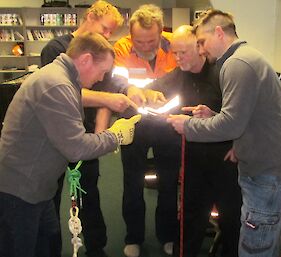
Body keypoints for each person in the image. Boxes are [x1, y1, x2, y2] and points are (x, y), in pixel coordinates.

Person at [167, 9, 281, 257]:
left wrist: (188, 126)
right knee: (266, 243)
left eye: (202, 42)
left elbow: (232, 126)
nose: (202, 50)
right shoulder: (247, 57)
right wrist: (212, 116)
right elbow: (246, 118)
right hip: (275, 172)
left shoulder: (236, 65)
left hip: (268, 178)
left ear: (219, 33)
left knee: (254, 250)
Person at [0, 32, 141, 257]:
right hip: (20, 191)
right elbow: (76, 148)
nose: (101, 78)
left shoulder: (62, 78)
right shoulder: (57, 84)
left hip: (37, 188)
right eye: (102, 71)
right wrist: (117, 135)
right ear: (85, 60)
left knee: (48, 244)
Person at [40, 2, 143, 257]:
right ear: (89, 17)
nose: (106, 36)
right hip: (55, 135)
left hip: (86, 135)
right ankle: (50, 248)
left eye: (111, 33)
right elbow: (70, 94)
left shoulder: (103, 52)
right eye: (105, 28)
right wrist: (108, 100)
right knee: (49, 195)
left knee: (89, 193)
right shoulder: (56, 49)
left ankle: (96, 247)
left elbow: (109, 85)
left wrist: (124, 93)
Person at [147, 25, 241, 257]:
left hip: (227, 160)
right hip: (194, 161)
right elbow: (150, 89)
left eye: (183, 52)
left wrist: (239, 144)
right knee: (190, 222)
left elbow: (244, 114)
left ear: (200, 48)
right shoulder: (178, 75)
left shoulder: (223, 73)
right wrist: (147, 94)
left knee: (232, 222)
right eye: (174, 52)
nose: (177, 58)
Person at [113, 4, 178, 257]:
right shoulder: (121, 47)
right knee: (132, 183)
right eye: (139, 40)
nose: (145, 46)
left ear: (162, 32)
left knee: (169, 182)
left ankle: (168, 235)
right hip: (134, 123)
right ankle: (133, 237)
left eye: (151, 40)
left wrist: (155, 89)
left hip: (168, 123)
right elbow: (117, 80)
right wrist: (133, 90)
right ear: (131, 34)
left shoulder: (175, 45)